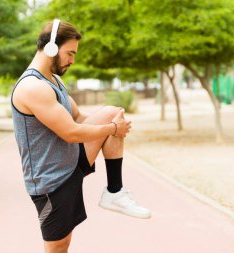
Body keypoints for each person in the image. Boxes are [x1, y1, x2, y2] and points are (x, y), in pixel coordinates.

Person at [11, 19, 151, 253]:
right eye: (70, 53)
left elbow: (79, 118)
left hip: (71, 162)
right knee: (58, 245)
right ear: (51, 48)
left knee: (112, 113)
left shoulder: (54, 81)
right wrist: (112, 130)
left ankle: (114, 192)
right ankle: (114, 192)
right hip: (49, 180)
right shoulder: (32, 87)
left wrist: (113, 125)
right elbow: (71, 132)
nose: (73, 61)